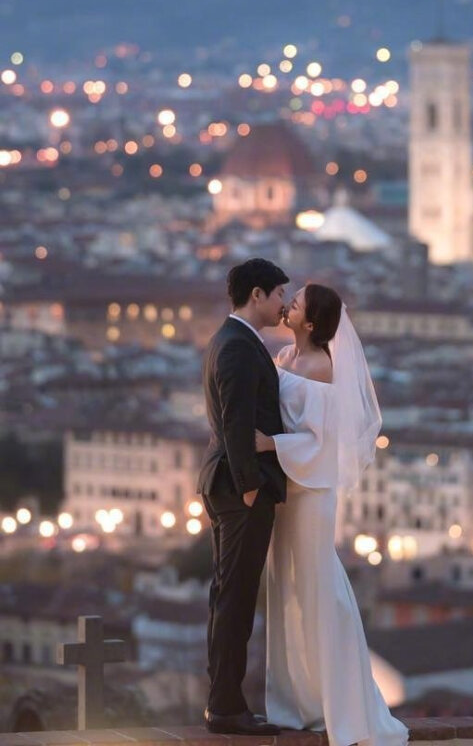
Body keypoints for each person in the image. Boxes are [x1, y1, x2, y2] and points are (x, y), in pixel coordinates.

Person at [255, 283, 408, 745]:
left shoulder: (323, 368)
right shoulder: (285, 360)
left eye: (298, 301)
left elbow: (322, 441)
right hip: (289, 488)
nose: (290, 303)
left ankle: (342, 703)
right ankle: (299, 701)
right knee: (287, 590)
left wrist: (270, 444)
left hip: (312, 492)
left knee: (319, 591)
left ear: (313, 321)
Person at [196, 258, 289, 735]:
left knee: (228, 594)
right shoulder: (236, 347)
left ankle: (225, 702)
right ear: (257, 294)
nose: (282, 305)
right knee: (235, 597)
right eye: (277, 296)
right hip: (239, 490)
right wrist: (252, 487)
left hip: (229, 487)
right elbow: (235, 422)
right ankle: (227, 707)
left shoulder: (231, 341)